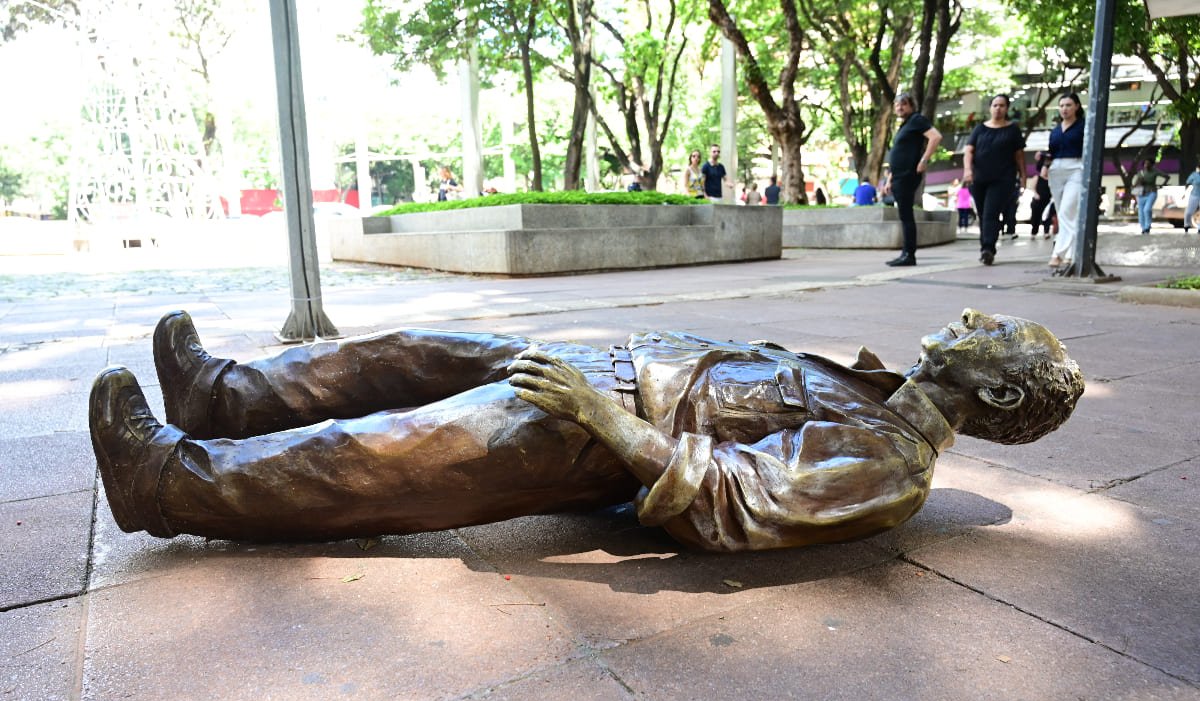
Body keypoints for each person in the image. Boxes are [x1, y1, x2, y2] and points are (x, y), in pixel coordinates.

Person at [89, 309, 1083, 553]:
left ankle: (167, 483)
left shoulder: (889, 469)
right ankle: (222, 396)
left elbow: (735, 501)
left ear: (995, 399)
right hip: (599, 378)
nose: (971, 323)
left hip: (595, 427)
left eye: (993, 341)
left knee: (381, 456)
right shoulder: (868, 385)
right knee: (401, 352)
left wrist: (605, 419)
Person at [962, 94, 1026, 265]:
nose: (998, 108)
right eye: (995, 105)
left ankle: (988, 248)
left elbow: (1019, 155)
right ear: (990, 108)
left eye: (1002, 105)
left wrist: (1024, 176)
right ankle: (985, 246)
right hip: (979, 178)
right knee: (983, 214)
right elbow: (969, 151)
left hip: (1002, 179)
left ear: (1007, 108)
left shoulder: (1013, 129)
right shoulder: (980, 129)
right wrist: (968, 171)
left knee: (991, 212)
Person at [881, 92, 943, 267]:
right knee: (904, 214)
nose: (900, 107)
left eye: (903, 104)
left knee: (906, 215)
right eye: (897, 105)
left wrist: (924, 160)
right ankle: (906, 252)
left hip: (908, 174)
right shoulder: (905, 125)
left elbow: (936, 136)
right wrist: (889, 180)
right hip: (898, 176)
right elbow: (899, 154)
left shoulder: (917, 120)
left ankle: (909, 254)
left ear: (911, 105)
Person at [1042, 93, 1085, 270]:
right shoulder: (1055, 130)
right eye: (1061, 105)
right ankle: (1071, 254)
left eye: (1068, 105)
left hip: (1076, 168)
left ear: (1076, 106)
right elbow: (1050, 151)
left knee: (1067, 210)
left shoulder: (1083, 126)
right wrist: (1045, 165)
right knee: (1064, 214)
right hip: (1055, 171)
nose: (1064, 109)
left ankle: (1057, 253)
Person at [1133, 159, 1170, 234]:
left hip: (1151, 193)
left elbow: (1167, 176)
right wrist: (1140, 182)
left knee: (1147, 209)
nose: (1146, 165)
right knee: (1141, 212)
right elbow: (1135, 184)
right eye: (1145, 163)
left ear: (1152, 165)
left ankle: (1147, 226)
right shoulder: (1140, 173)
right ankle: (1143, 228)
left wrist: (1163, 184)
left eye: (1148, 163)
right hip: (1141, 194)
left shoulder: (1155, 171)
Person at [1029, 152, 1053, 239]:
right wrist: (1036, 194)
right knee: (1036, 217)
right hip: (1038, 201)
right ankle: (1034, 232)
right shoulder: (1037, 178)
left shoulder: (1050, 180)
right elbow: (1033, 188)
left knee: (1047, 216)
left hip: (1047, 200)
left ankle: (1046, 232)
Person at [1184, 163, 1200, 233]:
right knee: (1189, 211)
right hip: (1194, 194)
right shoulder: (1194, 175)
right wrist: (1184, 193)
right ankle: (1187, 224)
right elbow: (1187, 183)